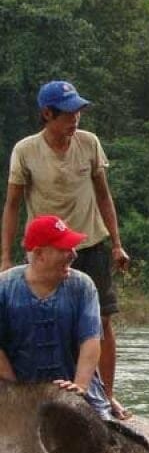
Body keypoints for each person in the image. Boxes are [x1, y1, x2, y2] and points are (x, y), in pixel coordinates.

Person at [2, 80, 130, 419]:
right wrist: (4, 256)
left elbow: (104, 195)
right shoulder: (26, 151)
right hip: (47, 248)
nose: (75, 120)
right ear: (47, 114)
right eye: (68, 114)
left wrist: (116, 244)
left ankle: (106, 395)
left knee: (101, 322)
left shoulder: (88, 143)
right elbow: (13, 205)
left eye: (78, 113)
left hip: (89, 242)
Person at [0, 215, 113, 420]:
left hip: (75, 387)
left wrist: (80, 387)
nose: (74, 254)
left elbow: (90, 340)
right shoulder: (4, 288)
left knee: (106, 438)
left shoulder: (83, 286)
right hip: (15, 388)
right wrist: (16, 392)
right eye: (64, 249)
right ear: (39, 254)